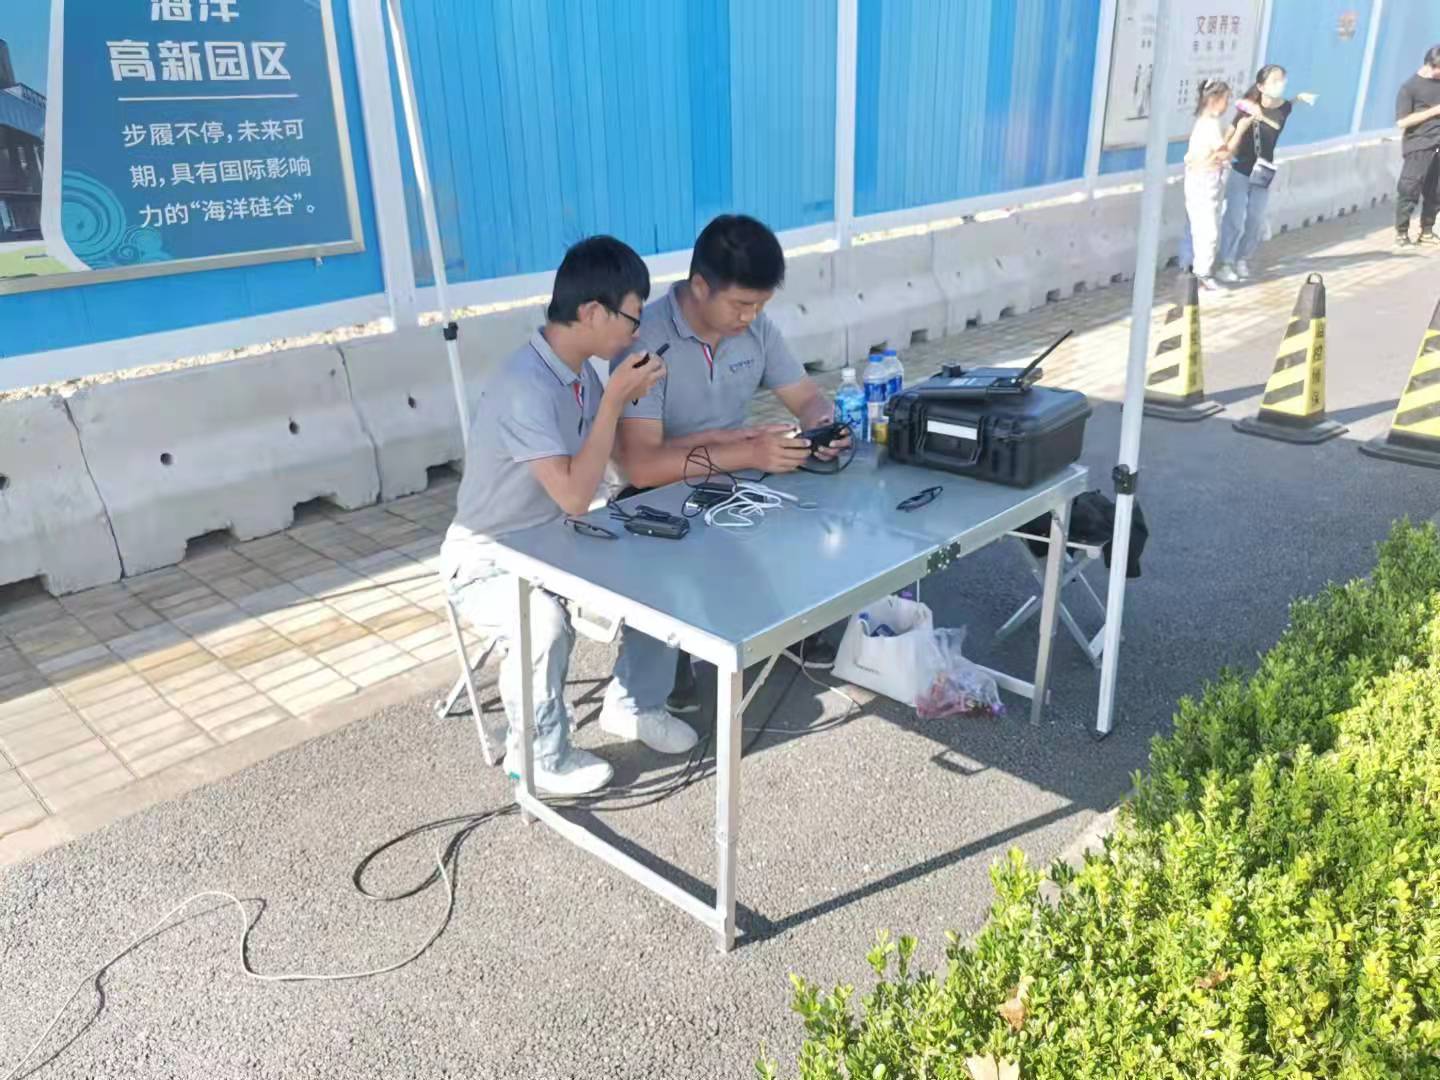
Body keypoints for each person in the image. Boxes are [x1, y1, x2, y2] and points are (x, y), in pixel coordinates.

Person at [440, 236, 670, 796]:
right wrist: (614, 401)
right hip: (487, 560)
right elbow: (572, 495)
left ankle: (635, 703)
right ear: (592, 312)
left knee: (660, 559)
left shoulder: (579, 373)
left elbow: (593, 477)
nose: (636, 332)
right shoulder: (525, 387)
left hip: (550, 541)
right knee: (541, 624)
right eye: (631, 317)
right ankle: (540, 755)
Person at [604, 214, 846, 720]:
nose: (750, 316)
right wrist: (751, 454)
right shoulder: (645, 340)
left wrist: (823, 426)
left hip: (735, 475)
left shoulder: (756, 327)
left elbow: (806, 398)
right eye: (740, 304)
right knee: (686, 547)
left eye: (760, 305)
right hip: (653, 494)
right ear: (699, 286)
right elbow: (642, 466)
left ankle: (790, 620)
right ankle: (671, 647)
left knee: (824, 508)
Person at [1216, 65, 1317, 284]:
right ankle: (1226, 263)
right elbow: (1231, 131)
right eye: (1274, 81)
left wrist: (1299, 98)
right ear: (1261, 86)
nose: (1280, 84)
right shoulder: (1248, 106)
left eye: (1282, 80)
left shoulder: (1283, 108)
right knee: (1234, 219)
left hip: (1263, 171)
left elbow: (1288, 106)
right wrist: (1221, 152)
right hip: (1241, 168)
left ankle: (1242, 259)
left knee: (1256, 219)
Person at [1184, 79, 1241, 289]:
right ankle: (1202, 276)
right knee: (1207, 231)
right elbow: (1224, 153)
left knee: (1203, 228)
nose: (1227, 104)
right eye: (1226, 99)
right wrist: (1240, 130)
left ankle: (1200, 273)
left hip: (1205, 180)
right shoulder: (1208, 124)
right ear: (1215, 100)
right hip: (1203, 181)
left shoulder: (1208, 122)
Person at [1394, 45, 1440, 248]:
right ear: (1432, 65)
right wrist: (1434, 111)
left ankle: (1427, 231)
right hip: (1419, 143)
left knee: (1436, 190)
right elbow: (1402, 122)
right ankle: (1402, 233)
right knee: (1409, 188)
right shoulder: (1409, 87)